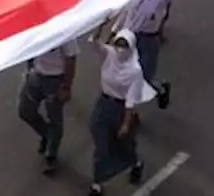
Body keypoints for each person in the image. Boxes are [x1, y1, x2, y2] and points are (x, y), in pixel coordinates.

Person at [86, 26, 151, 195]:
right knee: (100, 142)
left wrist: (125, 123)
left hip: (120, 109)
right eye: (118, 44)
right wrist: (100, 25)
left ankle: (135, 162)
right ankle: (97, 182)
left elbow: (131, 100)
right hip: (104, 103)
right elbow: (93, 42)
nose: (120, 49)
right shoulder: (109, 54)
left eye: (125, 45)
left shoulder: (135, 71)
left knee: (124, 144)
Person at [18, 33, 77, 174]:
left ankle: (51, 154)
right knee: (25, 111)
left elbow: (71, 58)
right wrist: (30, 67)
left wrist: (67, 87)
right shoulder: (40, 27)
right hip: (36, 75)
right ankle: (47, 135)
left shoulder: (65, 31)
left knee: (55, 118)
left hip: (55, 80)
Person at [122, 0, 177, 110]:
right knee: (126, 72)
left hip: (149, 39)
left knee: (144, 76)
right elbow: (126, 15)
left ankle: (160, 88)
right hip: (131, 36)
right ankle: (130, 110)